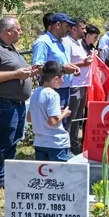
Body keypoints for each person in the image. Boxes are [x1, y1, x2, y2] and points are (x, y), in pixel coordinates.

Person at [0, 17, 37, 189]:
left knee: (13, 139)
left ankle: (9, 173)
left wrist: (28, 72)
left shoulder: (10, 48)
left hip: (16, 104)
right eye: (18, 29)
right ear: (8, 31)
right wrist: (16, 75)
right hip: (3, 104)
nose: (21, 32)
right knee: (2, 140)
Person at [31, 13, 81, 108]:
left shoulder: (63, 42)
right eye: (67, 26)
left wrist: (73, 68)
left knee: (64, 117)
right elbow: (37, 68)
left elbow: (62, 63)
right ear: (58, 25)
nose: (69, 29)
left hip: (66, 89)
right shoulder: (43, 42)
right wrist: (63, 69)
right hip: (52, 91)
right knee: (54, 117)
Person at [29, 61, 71, 162]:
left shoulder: (35, 93)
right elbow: (52, 122)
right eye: (62, 77)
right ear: (56, 78)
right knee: (59, 171)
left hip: (39, 142)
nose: (63, 80)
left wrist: (56, 112)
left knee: (43, 171)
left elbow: (29, 117)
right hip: (55, 142)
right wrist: (64, 114)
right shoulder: (53, 94)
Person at [66, 18, 91, 152]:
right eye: (82, 28)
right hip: (73, 85)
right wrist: (83, 63)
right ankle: (67, 146)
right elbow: (66, 64)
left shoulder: (80, 42)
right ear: (73, 29)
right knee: (70, 117)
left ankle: (74, 145)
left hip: (83, 84)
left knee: (78, 118)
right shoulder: (67, 43)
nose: (85, 31)